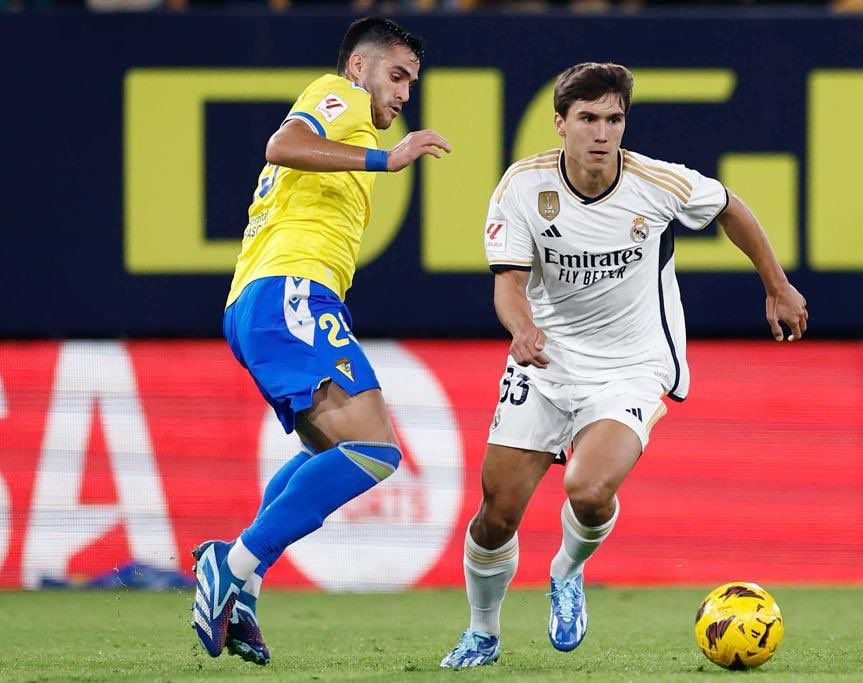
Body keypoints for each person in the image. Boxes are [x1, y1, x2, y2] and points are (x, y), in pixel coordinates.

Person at [440, 62, 808, 668]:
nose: (601, 132)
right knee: (496, 515)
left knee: (588, 489)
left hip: (630, 368)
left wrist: (777, 285)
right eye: (587, 118)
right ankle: (482, 632)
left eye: (613, 119)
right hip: (545, 363)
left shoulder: (656, 183)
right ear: (560, 123)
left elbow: (730, 207)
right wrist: (521, 328)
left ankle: (566, 570)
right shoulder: (522, 187)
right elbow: (507, 284)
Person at [190, 16, 450, 665]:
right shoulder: (340, 98)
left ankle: (242, 588)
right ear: (359, 68)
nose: (403, 94)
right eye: (397, 75)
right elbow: (282, 144)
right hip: (292, 290)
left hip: (261, 299)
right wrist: (384, 158)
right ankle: (236, 561)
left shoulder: (352, 114)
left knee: (326, 449)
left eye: (411, 82)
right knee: (375, 449)